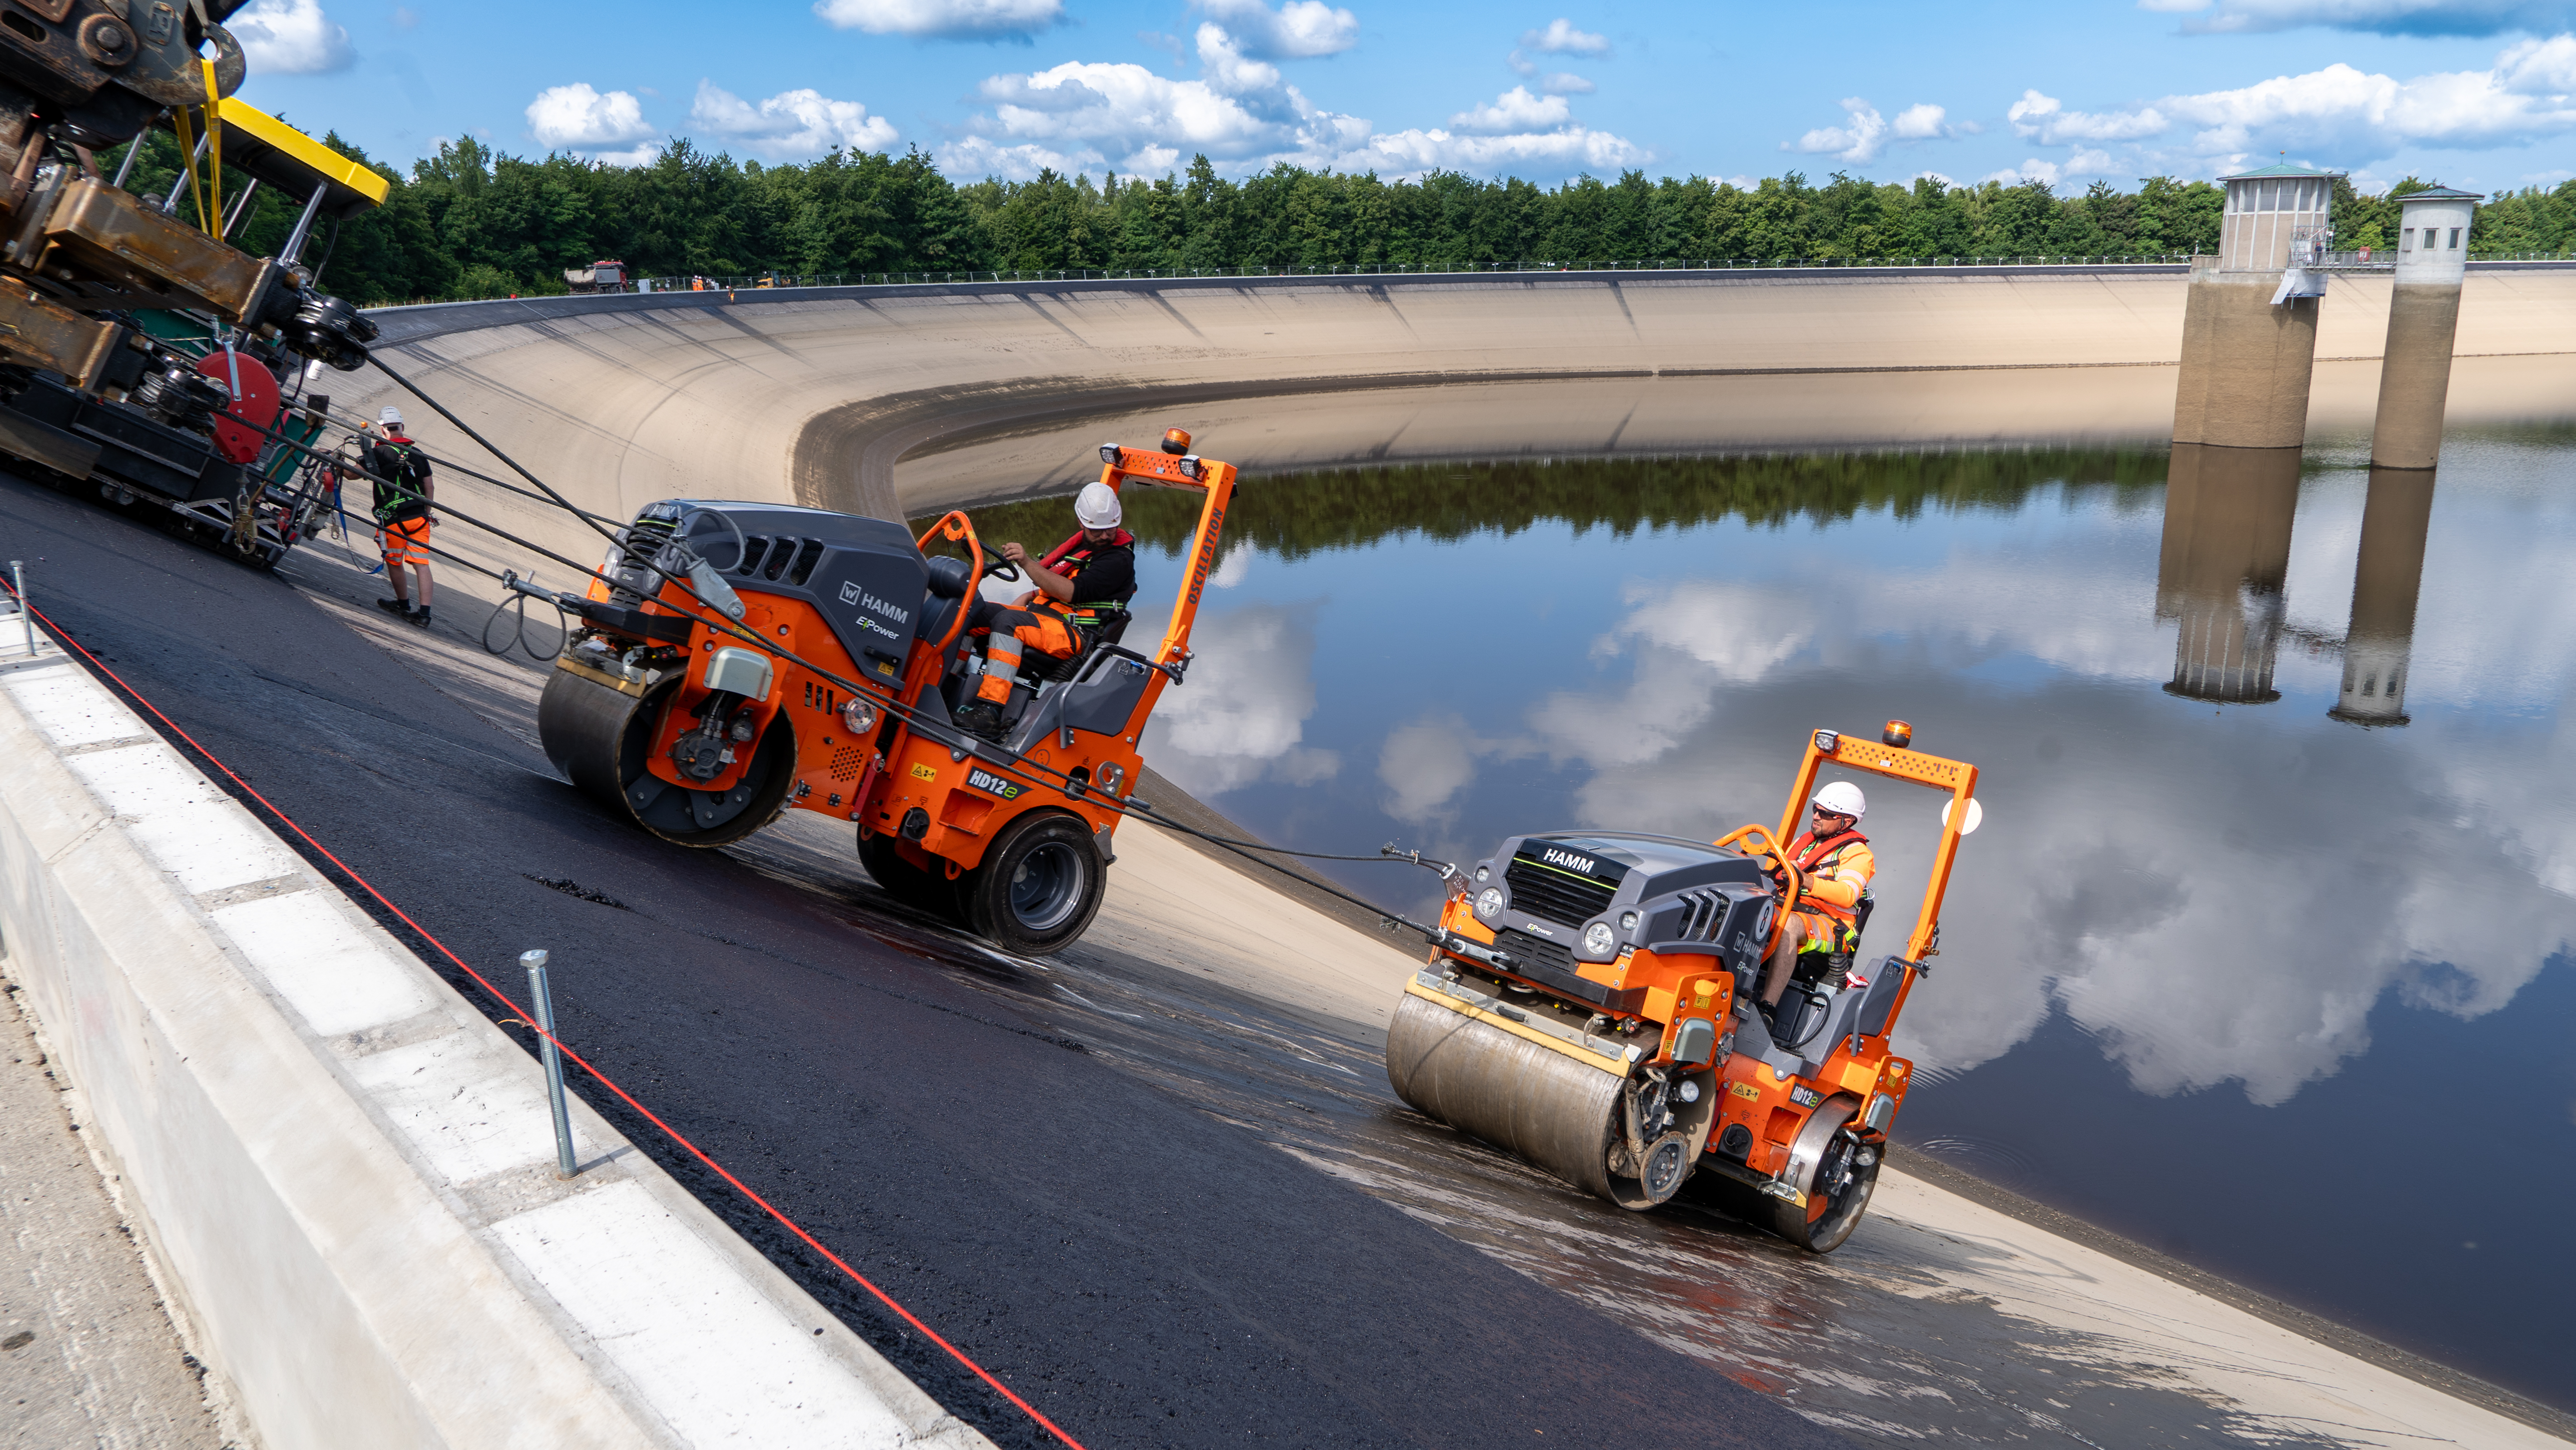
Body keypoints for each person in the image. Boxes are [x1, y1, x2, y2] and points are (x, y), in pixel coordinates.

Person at [953, 480, 1137, 741]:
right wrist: (1029, 596)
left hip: (1075, 633)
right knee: (971, 610)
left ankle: (990, 711)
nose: (1105, 536)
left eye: (1110, 529)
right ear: (1081, 523)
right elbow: (1051, 585)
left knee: (1009, 623)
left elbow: (1071, 592)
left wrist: (1027, 563)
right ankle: (948, 679)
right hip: (1043, 618)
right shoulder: (1083, 548)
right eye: (1097, 531)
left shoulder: (1118, 560)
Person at [1757, 780, 1876, 1015]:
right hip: (1787, 906)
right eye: (1816, 809)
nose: (1817, 816)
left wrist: (1807, 880)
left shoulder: (1858, 854)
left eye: (1826, 813)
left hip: (1833, 926)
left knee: (1788, 925)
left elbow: (1847, 894)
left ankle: (1767, 1008)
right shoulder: (1805, 845)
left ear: (1847, 821)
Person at [367, 406, 435, 627]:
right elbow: (429, 486)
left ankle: (403, 604)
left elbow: (351, 474)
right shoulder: (418, 454)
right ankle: (424, 614)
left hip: (393, 520)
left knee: (394, 562)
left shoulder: (379, 452)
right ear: (402, 427)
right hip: (419, 517)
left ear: (382, 429)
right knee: (421, 564)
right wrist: (426, 513)